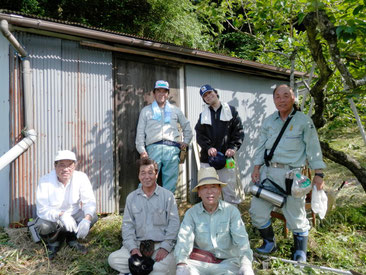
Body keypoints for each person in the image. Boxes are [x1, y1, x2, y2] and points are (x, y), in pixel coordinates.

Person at [249, 84, 326, 262]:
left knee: (296, 217)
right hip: (268, 175)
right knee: (257, 212)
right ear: (274, 99)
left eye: (286, 95)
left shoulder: (303, 121)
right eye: (277, 96)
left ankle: (300, 253)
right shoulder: (268, 121)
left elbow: (313, 148)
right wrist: (256, 167)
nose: (281, 100)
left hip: (292, 177)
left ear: (293, 98)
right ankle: (269, 242)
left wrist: (319, 173)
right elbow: (261, 146)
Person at [174, 167, 254, 275]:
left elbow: (242, 241)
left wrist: (246, 264)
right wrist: (181, 264)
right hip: (199, 263)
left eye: (213, 187)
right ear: (199, 192)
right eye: (204, 188)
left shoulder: (231, 212)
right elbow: (184, 240)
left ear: (220, 190)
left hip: (227, 263)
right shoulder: (191, 214)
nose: (209, 191)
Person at [108, 158, 180, 275]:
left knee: (171, 265)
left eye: (150, 173)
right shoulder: (131, 198)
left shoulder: (168, 196)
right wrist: (133, 249)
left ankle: (137, 269)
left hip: (159, 247)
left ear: (156, 174)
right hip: (138, 246)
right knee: (113, 259)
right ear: (138, 175)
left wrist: (165, 247)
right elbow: (127, 226)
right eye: (143, 173)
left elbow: (174, 224)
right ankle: (147, 268)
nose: (147, 177)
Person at [35, 150, 98, 260]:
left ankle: (72, 239)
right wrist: (61, 215)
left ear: (74, 166)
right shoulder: (45, 181)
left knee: (93, 217)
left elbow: (89, 201)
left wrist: (87, 219)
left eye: (69, 165)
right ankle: (53, 243)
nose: (65, 169)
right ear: (55, 166)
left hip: (74, 214)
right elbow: (42, 209)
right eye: (61, 165)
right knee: (43, 226)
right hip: (54, 217)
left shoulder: (81, 178)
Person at [136, 80, 193, 193]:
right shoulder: (146, 111)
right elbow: (140, 132)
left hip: (172, 149)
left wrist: (185, 142)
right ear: (154, 93)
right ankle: (143, 207)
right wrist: (142, 150)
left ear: (167, 94)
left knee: (170, 184)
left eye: (164, 92)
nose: (161, 94)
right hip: (153, 149)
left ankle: (166, 209)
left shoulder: (175, 110)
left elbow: (187, 127)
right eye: (159, 91)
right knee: (148, 178)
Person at [195, 84, 244, 204]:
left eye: (210, 93)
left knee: (229, 190)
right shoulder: (203, 115)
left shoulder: (231, 111)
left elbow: (238, 132)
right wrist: (208, 147)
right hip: (208, 160)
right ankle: (211, 216)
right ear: (204, 100)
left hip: (227, 159)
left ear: (216, 93)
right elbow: (200, 135)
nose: (208, 96)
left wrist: (233, 147)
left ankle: (232, 217)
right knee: (208, 190)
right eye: (205, 96)